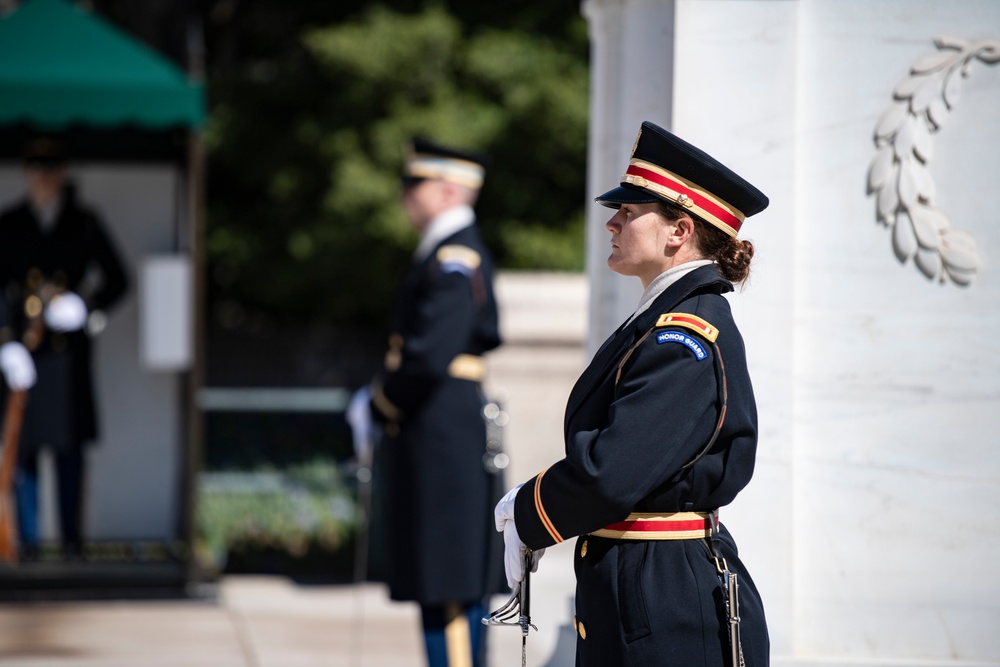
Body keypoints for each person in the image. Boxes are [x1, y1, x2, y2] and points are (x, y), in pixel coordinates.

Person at [493, 121, 771, 666]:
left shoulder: (683, 336)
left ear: (678, 230)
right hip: (642, 580)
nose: (611, 223)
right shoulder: (663, 322)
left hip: (665, 596)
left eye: (629, 211)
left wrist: (528, 510)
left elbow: (613, 471)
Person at [357, 136, 505, 667]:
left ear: (446, 190)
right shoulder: (443, 254)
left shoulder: (454, 258)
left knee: (448, 585)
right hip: (436, 429)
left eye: (413, 185)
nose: (405, 197)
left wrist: (378, 404)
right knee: (437, 579)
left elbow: (425, 358)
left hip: (443, 431)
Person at [0, 137, 129, 559]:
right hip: (26, 355)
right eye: (36, 166)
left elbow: (118, 278)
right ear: (25, 172)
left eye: (51, 166)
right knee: (26, 454)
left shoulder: (83, 221)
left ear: (63, 171)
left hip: (68, 357)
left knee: (70, 452)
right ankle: (31, 548)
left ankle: (73, 546)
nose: (43, 176)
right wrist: (5, 342)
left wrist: (86, 307)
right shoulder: (10, 223)